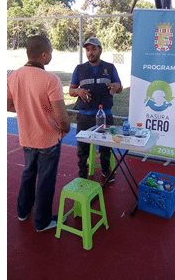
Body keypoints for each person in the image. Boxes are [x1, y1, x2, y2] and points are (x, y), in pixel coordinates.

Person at [7, 35, 70, 232]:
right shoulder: (51, 80)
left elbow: (9, 105)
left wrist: (29, 111)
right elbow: (62, 117)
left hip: (27, 137)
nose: (51, 55)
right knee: (45, 180)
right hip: (48, 139)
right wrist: (64, 129)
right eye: (50, 52)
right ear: (44, 55)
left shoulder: (13, 76)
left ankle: (22, 211)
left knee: (28, 174)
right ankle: (42, 222)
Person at [69, 37, 122, 181]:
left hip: (105, 115)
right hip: (85, 116)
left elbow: (119, 87)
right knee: (82, 150)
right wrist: (79, 91)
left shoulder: (110, 67)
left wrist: (116, 86)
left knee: (105, 148)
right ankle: (82, 174)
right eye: (88, 50)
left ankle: (106, 170)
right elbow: (71, 90)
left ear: (100, 50)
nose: (90, 52)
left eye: (93, 49)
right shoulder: (79, 69)